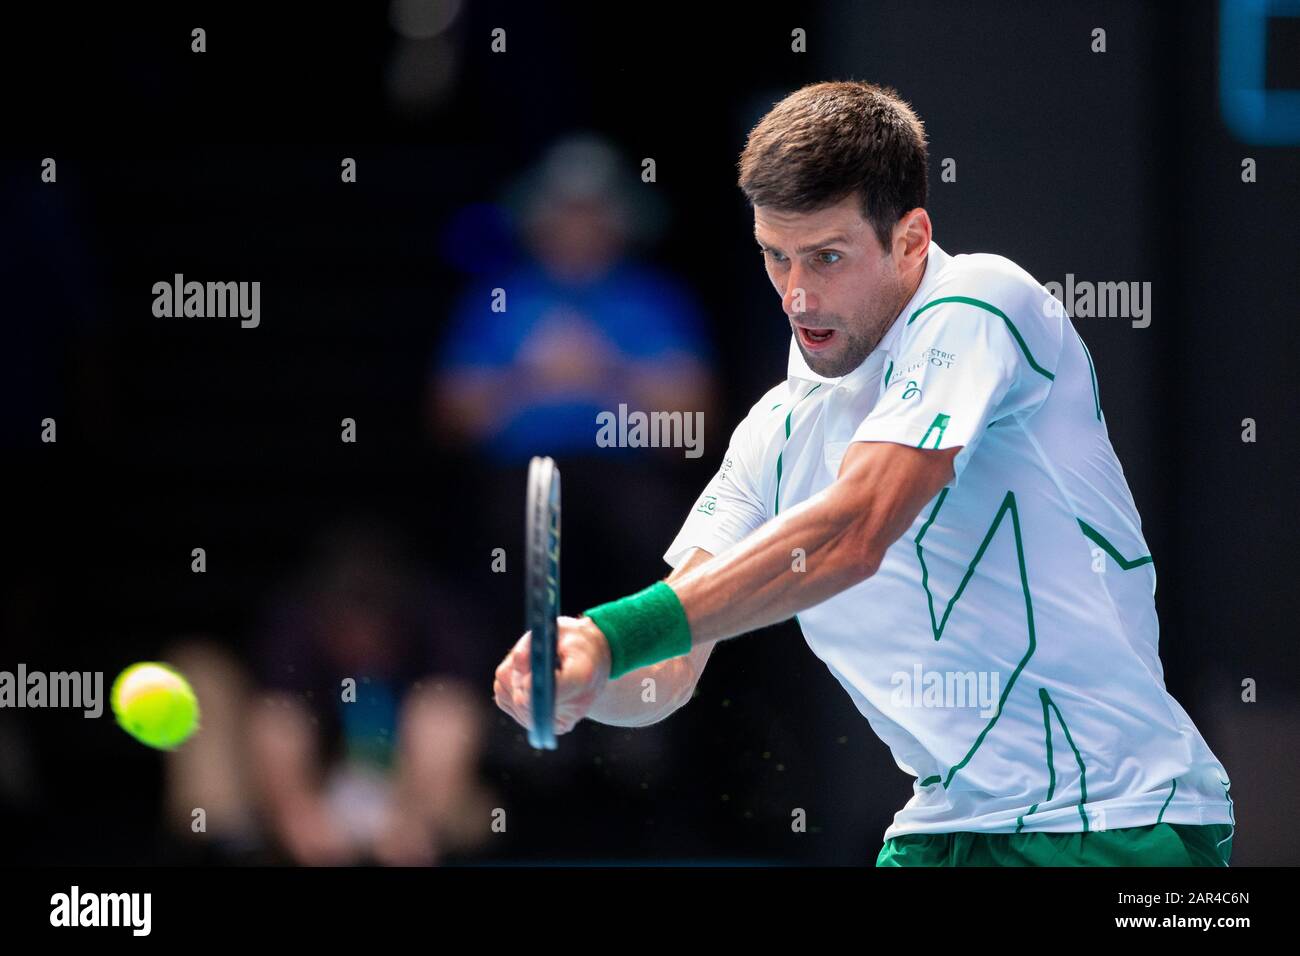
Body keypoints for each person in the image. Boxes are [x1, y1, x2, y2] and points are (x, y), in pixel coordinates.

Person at [493, 81, 1235, 867]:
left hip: (1118, 820)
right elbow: (671, 668)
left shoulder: (982, 303)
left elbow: (854, 533)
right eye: (776, 257)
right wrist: (585, 683)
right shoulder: (772, 435)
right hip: (940, 828)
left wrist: (615, 633)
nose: (797, 294)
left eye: (828, 257)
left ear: (911, 239)